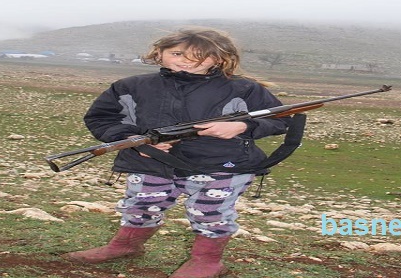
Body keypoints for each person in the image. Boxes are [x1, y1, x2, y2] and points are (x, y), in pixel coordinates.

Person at [61, 27, 290, 278]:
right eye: (177, 53)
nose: (187, 61)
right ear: (159, 53)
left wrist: (242, 126)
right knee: (140, 206)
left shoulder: (244, 89)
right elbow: (102, 118)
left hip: (221, 165)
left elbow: (280, 119)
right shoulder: (131, 86)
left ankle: (207, 262)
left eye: (200, 55)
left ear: (219, 59)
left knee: (210, 212)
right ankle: (125, 246)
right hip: (149, 163)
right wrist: (134, 142)